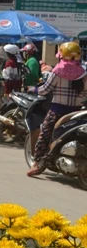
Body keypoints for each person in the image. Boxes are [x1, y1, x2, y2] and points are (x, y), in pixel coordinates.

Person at [28, 42, 87, 177]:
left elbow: (45, 89)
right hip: (77, 112)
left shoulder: (58, 70)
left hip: (58, 111)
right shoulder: (83, 72)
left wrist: (34, 88)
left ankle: (36, 162)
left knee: (45, 134)